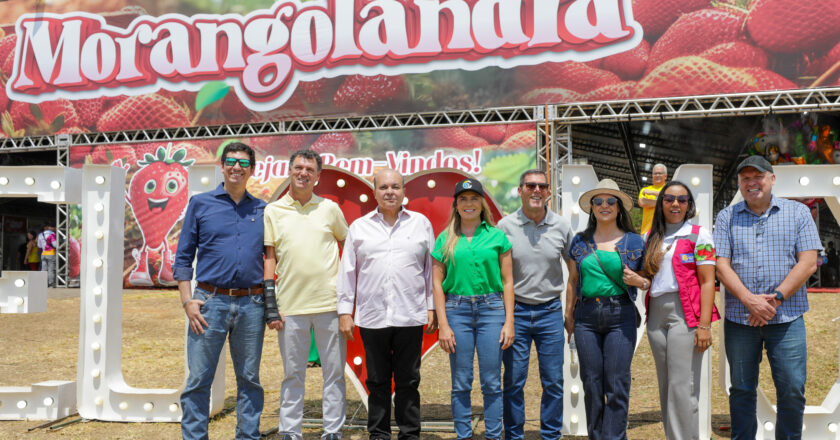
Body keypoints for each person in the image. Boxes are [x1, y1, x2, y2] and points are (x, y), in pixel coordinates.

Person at [714, 155, 820, 440]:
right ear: (739, 183)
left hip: (786, 317)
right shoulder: (726, 216)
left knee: (792, 389)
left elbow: (808, 262)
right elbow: (721, 265)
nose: (752, 183)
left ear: (772, 179)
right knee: (741, 389)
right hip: (741, 319)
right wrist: (750, 300)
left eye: (757, 177)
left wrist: (775, 298)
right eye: (745, 178)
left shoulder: (797, 213)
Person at [173, 142, 269, 440]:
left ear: (252, 169)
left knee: (250, 380)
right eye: (230, 161)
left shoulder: (263, 209)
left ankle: (247, 436)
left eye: (243, 163)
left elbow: (273, 257)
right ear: (222, 165)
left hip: (252, 304)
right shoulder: (200, 203)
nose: (236, 167)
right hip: (208, 303)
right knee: (199, 379)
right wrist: (188, 301)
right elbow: (183, 258)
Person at [337, 168, 437, 440]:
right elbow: (347, 272)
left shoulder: (421, 224)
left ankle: (409, 434)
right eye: (384, 187)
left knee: (408, 381)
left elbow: (431, 270)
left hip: (410, 315)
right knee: (377, 381)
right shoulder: (359, 227)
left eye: (395, 186)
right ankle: (378, 434)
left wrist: (432, 307)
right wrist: (345, 311)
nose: (390, 192)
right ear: (375, 192)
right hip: (372, 316)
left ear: (404, 191)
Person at [264, 149, 349, 440]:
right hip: (290, 307)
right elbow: (270, 258)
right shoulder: (273, 211)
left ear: (317, 176)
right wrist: (270, 304)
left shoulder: (330, 209)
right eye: (298, 167)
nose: (303, 173)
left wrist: (348, 299)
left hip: (330, 305)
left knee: (334, 374)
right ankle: (290, 431)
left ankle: (333, 431)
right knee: (293, 374)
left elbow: (347, 247)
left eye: (309, 169)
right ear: (290, 171)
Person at [564, 178, 648, 440]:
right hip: (586, 317)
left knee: (616, 384)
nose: (604, 205)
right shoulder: (580, 241)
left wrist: (640, 281)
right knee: (591, 383)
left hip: (620, 315)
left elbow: (648, 279)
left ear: (619, 207)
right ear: (591, 207)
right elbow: (573, 280)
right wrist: (569, 314)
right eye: (598, 201)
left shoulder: (634, 242)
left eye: (611, 201)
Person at [432, 178, 515, 440]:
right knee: (461, 382)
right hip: (456, 311)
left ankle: (493, 435)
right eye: (463, 199)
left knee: (492, 381)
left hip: (492, 310)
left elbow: (508, 281)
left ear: (482, 203)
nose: (469, 204)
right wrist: (443, 325)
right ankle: (463, 435)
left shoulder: (497, 236)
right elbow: (436, 283)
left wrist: (509, 321)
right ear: (456, 205)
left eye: (474, 198)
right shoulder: (445, 239)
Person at [497, 169, 573, 440]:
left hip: (550, 312)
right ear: (520, 190)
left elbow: (573, 270)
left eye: (542, 186)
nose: (537, 190)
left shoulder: (562, 226)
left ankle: (551, 435)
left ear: (549, 192)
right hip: (515, 312)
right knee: (514, 382)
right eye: (531, 185)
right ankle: (514, 435)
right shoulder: (504, 227)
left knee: (553, 381)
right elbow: (497, 273)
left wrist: (569, 310)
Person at [643, 181, 720, 440]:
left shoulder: (700, 234)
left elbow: (708, 281)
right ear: (661, 203)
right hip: (655, 315)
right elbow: (646, 277)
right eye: (669, 199)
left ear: (689, 205)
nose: (675, 204)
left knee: (682, 387)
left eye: (682, 199)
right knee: (666, 387)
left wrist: (705, 325)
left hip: (684, 314)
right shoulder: (651, 236)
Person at [639, 163, 668, 235]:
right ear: (652, 176)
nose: (657, 175)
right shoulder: (645, 189)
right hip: (646, 231)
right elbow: (642, 202)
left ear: (665, 176)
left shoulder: (670, 188)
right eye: (655, 173)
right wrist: (663, 202)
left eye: (660, 173)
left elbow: (671, 196)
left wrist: (652, 193)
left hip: (665, 232)